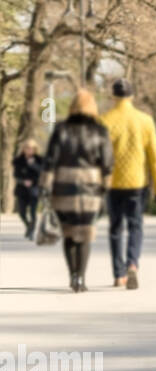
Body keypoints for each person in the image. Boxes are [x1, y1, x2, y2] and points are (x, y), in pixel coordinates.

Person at [41, 89, 113, 292]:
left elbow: (50, 160)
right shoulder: (100, 130)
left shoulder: (61, 129)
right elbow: (107, 163)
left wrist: (45, 185)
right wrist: (106, 188)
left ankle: (72, 275)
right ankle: (81, 277)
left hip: (63, 186)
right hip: (90, 187)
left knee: (69, 232)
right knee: (85, 232)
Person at [101, 78, 156, 289]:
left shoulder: (105, 121)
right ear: (131, 96)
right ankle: (132, 264)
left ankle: (119, 275)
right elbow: (155, 156)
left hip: (113, 184)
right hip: (137, 183)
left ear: (114, 96)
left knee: (115, 229)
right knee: (135, 226)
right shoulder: (144, 120)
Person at [11, 139, 43, 240]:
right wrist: (23, 181)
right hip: (22, 190)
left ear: (35, 149)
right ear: (24, 149)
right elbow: (16, 175)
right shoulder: (18, 161)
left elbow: (42, 174)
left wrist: (33, 165)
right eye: (27, 148)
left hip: (34, 190)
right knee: (22, 213)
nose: (29, 150)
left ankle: (31, 232)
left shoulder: (39, 160)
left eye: (31, 148)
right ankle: (29, 225)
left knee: (33, 212)